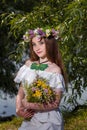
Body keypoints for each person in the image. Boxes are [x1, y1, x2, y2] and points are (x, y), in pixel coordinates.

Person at [14, 28, 67, 130]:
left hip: (49, 119)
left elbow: (55, 103)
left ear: (50, 44)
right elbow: (21, 90)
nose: (37, 48)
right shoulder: (29, 64)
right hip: (31, 117)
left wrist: (29, 104)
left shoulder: (55, 70)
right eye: (34, 44)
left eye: (41, 43)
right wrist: (18, 107)